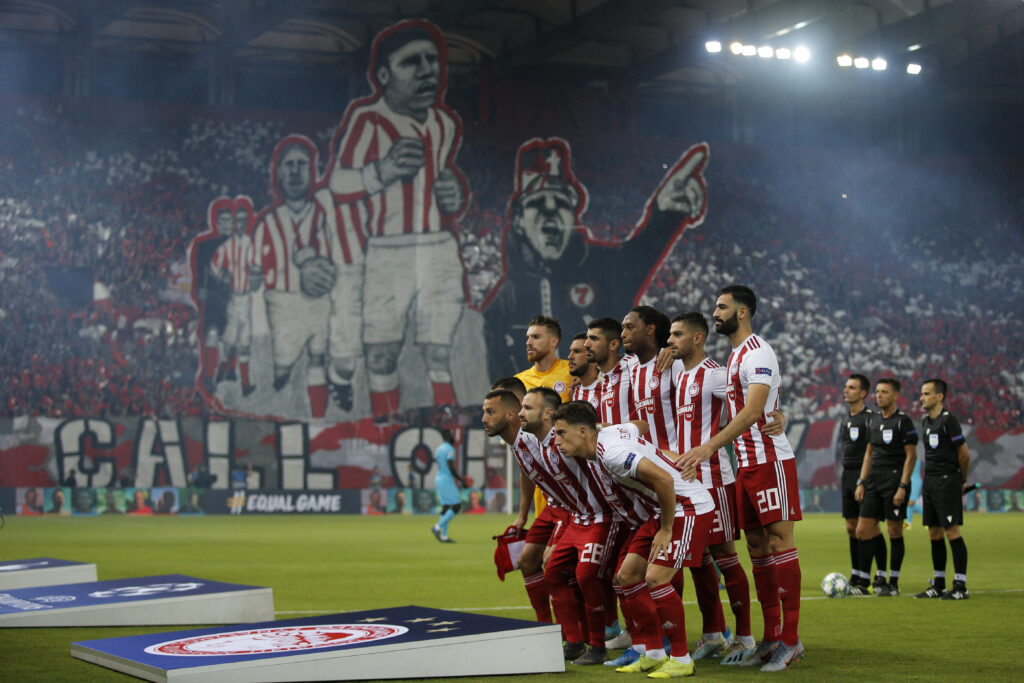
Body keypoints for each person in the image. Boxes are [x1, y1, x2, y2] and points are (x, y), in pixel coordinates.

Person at [328, 19, 468, 417]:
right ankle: (385, 427)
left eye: (432, 60)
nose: (427, 70)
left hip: (438, 247)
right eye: (412, 62)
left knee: (439, 351)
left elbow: (441, 182)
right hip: (388, 250)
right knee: (382, 353)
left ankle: (445, 427)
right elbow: (338, 183)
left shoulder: (444, 123)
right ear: (384, 75)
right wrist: (382, 172)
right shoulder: (368, 120)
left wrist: (455, 195)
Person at [483, 137, 709, 379]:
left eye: (561, 202)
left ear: (572, 218)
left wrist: (666, 215)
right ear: (519, 221)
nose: (550, 211)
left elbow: (640, 253)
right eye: (537, 203)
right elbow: (499, 383)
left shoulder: (604, 269)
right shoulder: (502, 307)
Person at [676, 286, 803, 672]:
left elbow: (752, 411)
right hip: (746, 464)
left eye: (722, 307)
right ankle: (770, 638)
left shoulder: (758, 352)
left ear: (742, 312)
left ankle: (791, 641)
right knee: (758, 549)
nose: (715, 312)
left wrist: (707, 448)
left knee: (779, 543)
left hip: (770, 461)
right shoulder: (734, 357)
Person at [554, 400, 715, 679]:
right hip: (661, 510)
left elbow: (664, 480)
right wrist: (604, 428)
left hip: (687, 506)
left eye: (561, 433)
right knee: (626, 577)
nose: (557, 441)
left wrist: (666, 529)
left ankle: (681, 659)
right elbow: (640, 426)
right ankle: (653, 653)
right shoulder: (605, 437)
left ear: (582, 432)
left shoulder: (613, 453)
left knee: (656, 579)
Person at [666, 312, 755, 662]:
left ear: (697, 338)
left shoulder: (716, 375)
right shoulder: (677, 373)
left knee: (725, 558)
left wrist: (778, 415)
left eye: (677, 334)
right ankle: (714, 634)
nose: (670, 340)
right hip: (685, 480)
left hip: (714, 478)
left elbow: (751, 405)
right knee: (697, 560)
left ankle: (745, 638)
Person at [521, 387, 626, 666]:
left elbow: (622, 431)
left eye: (527, 408)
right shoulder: (543, 446)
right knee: (554, 573)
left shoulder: (570, 441)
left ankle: (599, 645)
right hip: (577, 519)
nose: (521, 414)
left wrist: (599, 428)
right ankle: (575, 641)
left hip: (601, 518)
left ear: (547, 414)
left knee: (588, 576)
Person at [250, 135, 335, 418]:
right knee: (282, 366)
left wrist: (319, 269)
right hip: (282, 302)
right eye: (289, 165)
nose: (296, 171)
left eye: (302, 164)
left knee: (318, 358)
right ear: (279, 173)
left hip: (318, 300)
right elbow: (253, 273)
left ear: (312, 172)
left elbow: (334, 263)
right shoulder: (266, 223)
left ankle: (319, 419)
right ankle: (278, 399)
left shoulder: (323, 217)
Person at [481, 389, 563, 628]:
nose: (484, 419)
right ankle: (544, 626)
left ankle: (573, 631)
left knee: (555, 565)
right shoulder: (516, 443)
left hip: (570, 507)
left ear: (509, 414)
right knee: (526, 561)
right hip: (554, 506)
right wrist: (522, 515)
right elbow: (527, 473)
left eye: (490, 412)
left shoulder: (533, 438)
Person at [854, 378, 918, 597]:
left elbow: (911, 456)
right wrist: (861, 482)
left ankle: (893, 582)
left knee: (894, 531)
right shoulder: (873, 421)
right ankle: (870, 579)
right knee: (863, 530)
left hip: (894, 480)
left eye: (885, 392)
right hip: (874, 481)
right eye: (878, 391)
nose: (879, 395)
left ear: (896, 395)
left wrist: (903, 486)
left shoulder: (903, 422)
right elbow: (869, 454)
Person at [914, 379, 973, 600]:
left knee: (951, 531)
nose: (922, 397)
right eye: (921, 393)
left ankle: (961, 586)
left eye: (926, 393)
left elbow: (964, 455)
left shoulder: (949, 421)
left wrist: (962, 480)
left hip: (948, 480)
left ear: (939, 396)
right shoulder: (925, 421)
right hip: (930, 481)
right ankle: (938, 584)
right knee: (934, 532)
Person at [838, 374, 885, 595]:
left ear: (863, 393)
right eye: (846, 387)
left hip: (864, 475)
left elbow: (872, 451)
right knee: (851, 528)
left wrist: (864, 480)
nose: (846, 390)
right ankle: (856, 573)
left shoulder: (871, 419)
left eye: (852, 388)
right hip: (847, 475)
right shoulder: (846, 419)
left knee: (869, 528)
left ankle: (877, 575)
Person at [208, 196, 257, 397]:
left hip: (248, 298)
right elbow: (213, 266)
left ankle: (245, 385)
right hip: (234, 299)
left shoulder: (251, 244)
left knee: (245, 343)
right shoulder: (227, 246)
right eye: (238, 220)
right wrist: (222, 276)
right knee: (229, 342)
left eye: (244, 220)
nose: (241, 224)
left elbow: (259, 266)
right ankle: (219, 373)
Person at [585, 317, 635, 427]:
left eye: (594, 339)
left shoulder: (633, 365)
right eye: (587, 338)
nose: (586, 344)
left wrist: (667, 351)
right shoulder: (602, 376)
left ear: (613, 344)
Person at [515, 315, 573, 402]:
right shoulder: (519, 381)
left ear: (553, 342)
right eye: (528, 338)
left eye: (536, 337)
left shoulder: (573, 372)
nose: (528, 342)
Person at [432, 428, 467, 542]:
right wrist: (461, 480)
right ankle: (437, 527)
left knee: (446, 507)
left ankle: (444, 536)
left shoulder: (439, 448)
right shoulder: (449, 448)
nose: (453, 437)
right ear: (448, 436)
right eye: (452, 435)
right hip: (446, 479)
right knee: (457, 505)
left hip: (439, 478)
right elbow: (450, 466)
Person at [568, 333, 601, 410]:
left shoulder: (608, 388)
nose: (570, 357)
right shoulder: (574, 390)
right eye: (570, 351)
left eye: (577, 351)